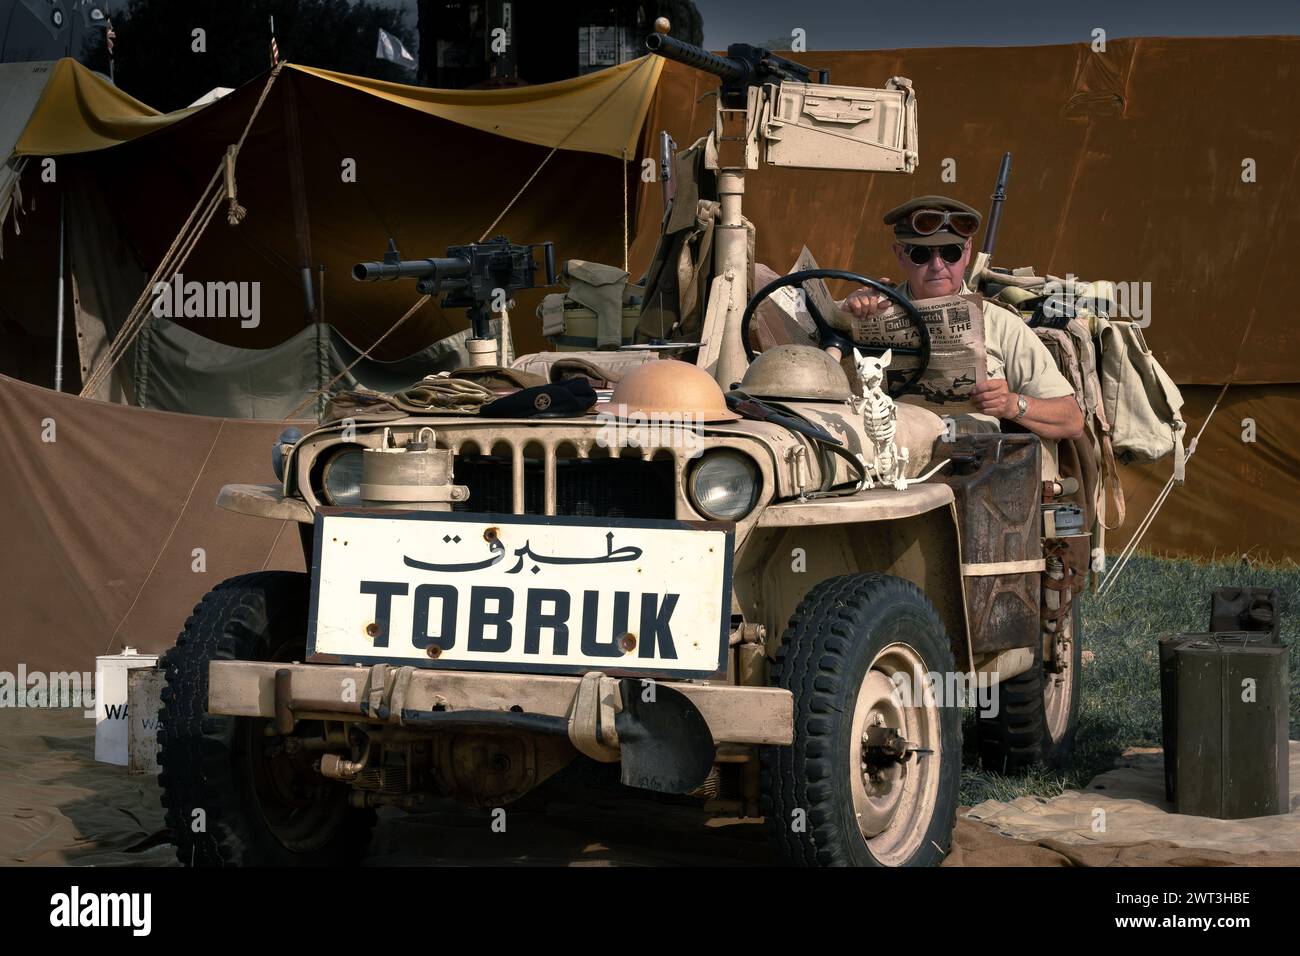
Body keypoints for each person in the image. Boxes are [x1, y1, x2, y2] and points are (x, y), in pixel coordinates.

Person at [839, 195, 1083, 474]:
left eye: (950, 253)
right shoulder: (867, 313)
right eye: (921, 254)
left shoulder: (1000, 324)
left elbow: (1072, 420)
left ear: (967, 253)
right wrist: (847, 312)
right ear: (899, 255)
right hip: (886, 466)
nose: (937, 265)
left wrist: (1011, 404)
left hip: (971, 471)